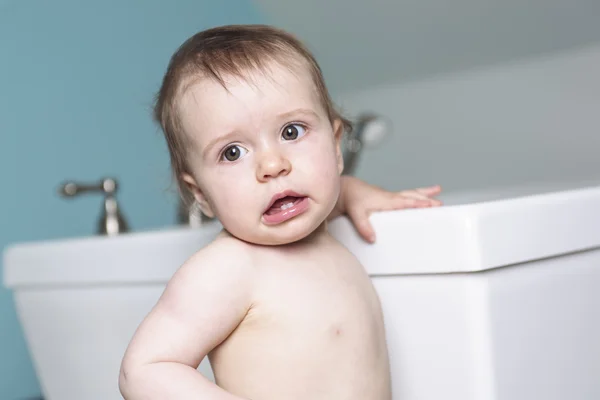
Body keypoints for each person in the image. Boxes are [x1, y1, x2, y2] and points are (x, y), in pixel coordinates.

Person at [119, 24, 441, 400]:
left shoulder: (319, 223)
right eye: (232, 152)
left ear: (337, 147)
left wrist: (360, 193)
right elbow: (144, 369)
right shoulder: (229, 268)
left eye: (291, 131)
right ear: (200, 193)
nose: (272, 165)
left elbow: (334, 192)